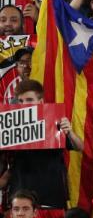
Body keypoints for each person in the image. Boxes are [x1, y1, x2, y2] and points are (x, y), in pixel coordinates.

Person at [0, 80, 83, 217]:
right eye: (20, 101)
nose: (24, 104)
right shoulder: (11, 123)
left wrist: (69, 132)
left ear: (41, 101)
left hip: (51, 199)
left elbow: (79, 147)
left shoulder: (53, 119)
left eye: (29, 99)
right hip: (20, 200)